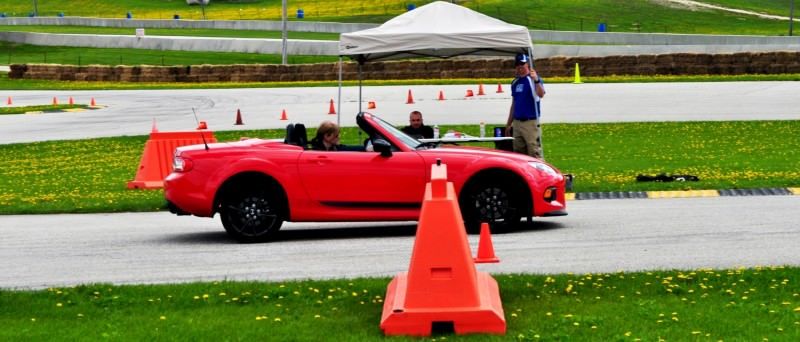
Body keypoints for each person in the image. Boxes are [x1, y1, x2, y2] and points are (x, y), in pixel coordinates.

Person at [505, 53, 546, 159]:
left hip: (530, 122)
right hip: (517, 122)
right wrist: (509, 124)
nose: (520, 67)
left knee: (534, 151)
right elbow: (514, 104)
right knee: (518, 153)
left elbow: (541, 94)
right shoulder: (515, 82)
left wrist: (536, 80)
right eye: (518, 65)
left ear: (528, 65)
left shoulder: (532, 79)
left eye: (522, 64)